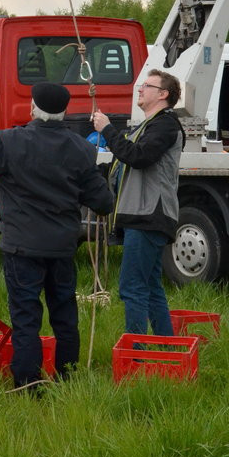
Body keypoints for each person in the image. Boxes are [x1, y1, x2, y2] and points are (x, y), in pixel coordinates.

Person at [0, 82, 113, 389]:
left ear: (32, 109)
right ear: (64, 111)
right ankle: (68, 378)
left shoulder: (10, 141)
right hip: (62, 247)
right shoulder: (81, 148)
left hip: (22, 247)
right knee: (65, 316)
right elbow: (104, 203)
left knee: (26, 319)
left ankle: (28, 384)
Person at [93, 69, 185, 337]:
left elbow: (138, 157)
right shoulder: (148, 126)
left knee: (132, 287)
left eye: (147, 85)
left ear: (163, 94)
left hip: (148, 216)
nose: (140, 89)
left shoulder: (165, 125)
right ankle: (166, 347)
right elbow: (125, 162)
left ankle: (135, 352)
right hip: (142, 215)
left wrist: (107, 130)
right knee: (151, 287)